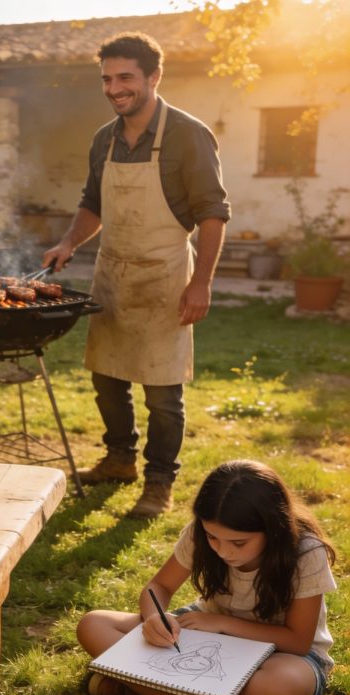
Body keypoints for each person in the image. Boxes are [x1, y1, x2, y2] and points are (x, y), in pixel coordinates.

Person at [42, 32, 231, 518]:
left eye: (125, 77)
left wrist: (201, 282)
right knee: (107, 379)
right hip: (113, 272)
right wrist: (68, 242)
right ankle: (119, 459)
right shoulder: (104, 139)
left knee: (163, 393)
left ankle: (159, 483)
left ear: (153, 77)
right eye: (107, 79)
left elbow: (213, 212)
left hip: (167, 274)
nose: (114, 88)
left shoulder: (188, 135)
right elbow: (94, 204)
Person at [77, 460, 336, 695]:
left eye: (239, 543)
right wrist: (153, 618)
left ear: (273, 527)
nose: (224, 552)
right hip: (204, 633)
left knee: (287, 686)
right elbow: (157, 587)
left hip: (283, 653)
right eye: (213, 538)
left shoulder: (305, 552)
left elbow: (298, 640)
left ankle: (136, 686)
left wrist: (222, 623)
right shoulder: (201, 533)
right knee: (94, 624)